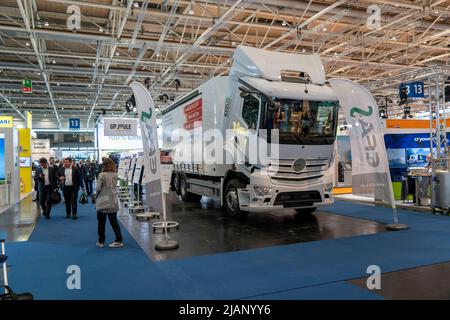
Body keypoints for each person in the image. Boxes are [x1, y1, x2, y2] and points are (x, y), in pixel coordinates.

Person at [95, 158, 123, 248]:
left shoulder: (101, 175)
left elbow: (98, 188)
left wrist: (95, 196)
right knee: (114, 221)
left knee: (101, 222)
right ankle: (119, 240)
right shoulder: (116, 174)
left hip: (103, 200)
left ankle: (101, 241)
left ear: (104, 165)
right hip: (113, 200)